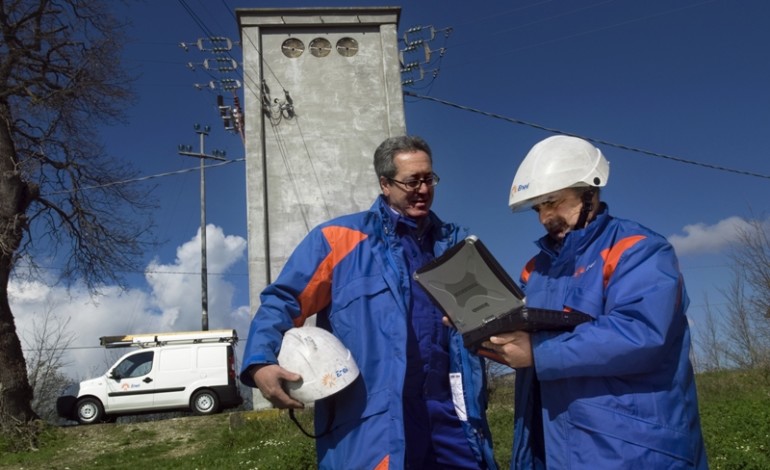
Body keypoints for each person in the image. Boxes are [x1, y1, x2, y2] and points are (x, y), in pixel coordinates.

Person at [240, 135, 497, 470]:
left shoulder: (456, 245)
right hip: (376, 420)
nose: (423, 189)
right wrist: (260, 361)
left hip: (451, 417)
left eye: (428, 179)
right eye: (411, 181)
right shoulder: (338, 240)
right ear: (385, 184)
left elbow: (491, 314)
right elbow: (283, 300)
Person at [485, 135, 708, 469]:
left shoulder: (638, 249)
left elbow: (642, 332)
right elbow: (524, 339)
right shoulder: (536, 271)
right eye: (539, 208)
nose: (546, 217)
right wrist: (483, 329)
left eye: (554, 202)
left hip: (632, 450)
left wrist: (538, 352)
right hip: (555, 446)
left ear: (589, 192)